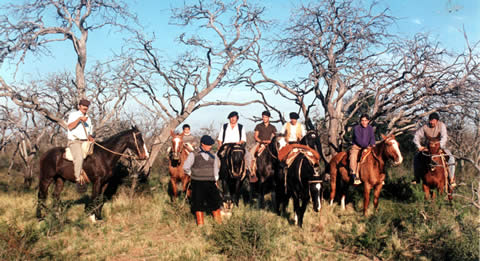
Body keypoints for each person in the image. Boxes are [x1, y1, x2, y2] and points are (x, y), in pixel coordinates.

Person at [183, 135, 222, 226]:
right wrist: (193, 174)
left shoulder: (214, 155)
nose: (210, 146)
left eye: (211, 145)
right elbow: (186, 167)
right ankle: (200, 225)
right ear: (202, 144)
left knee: (215, 202)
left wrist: (216, 180)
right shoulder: (193, 154)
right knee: (198, 203)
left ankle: (219, 224)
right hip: (197, 182)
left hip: (211, 182)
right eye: (208, 145)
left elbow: (216, 168)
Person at [413, 112, 456, 187]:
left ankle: (451, 178)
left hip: (440, 147)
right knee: (416, 158)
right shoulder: (425, 127)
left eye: (433, 120)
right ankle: (417, 178)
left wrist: (439, 146)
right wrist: (419, 146)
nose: (431, 122)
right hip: (428, 148)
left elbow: (444, 137)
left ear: (437, 121)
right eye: (430, 120)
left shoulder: (441, 126)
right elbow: (416, 137)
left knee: (451, 158)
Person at [67, 98, 94, 186]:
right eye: (83, 106)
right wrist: (79, 120)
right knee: (79, 157)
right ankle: (78, 179)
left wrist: (90, 138)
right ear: (79, 106)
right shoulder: (74, 115)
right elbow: (70, 127)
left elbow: (89, 133)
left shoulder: (88, 119)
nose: (85, 107)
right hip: (75, 141)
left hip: (85, 142)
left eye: (87, 106)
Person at [250, 111, 277, 181]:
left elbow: (274, 137)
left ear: (269, 118)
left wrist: (270, 142)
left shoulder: (272, 127)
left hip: (269, 144)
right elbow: (255, 136)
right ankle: (252, 172)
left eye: (266, 117)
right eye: (263, 117)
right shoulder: (258, 126)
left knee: (277, 154)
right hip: (260, 143)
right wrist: (261, 141)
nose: (264, 118)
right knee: (251, 153)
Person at [349, 114, 376, 185]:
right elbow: (358, 139)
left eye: (365, 121)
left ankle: (376, 174)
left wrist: (372, 144)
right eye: (362, 121)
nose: (364, 122)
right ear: (360, 121)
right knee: (353, 157)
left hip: (368, 147)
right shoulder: (356, 128)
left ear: (368, 121)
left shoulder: (370, 128)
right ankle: (354, 174)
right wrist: (366, 146)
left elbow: (372, 137)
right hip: (357, 147)